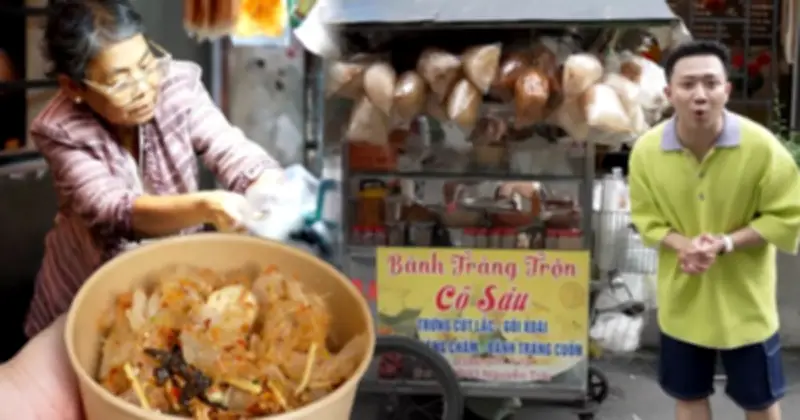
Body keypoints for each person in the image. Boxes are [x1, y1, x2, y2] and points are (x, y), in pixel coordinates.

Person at [25, 0, 284, 339]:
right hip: (88, 285)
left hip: (174, 279)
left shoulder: (176, 84)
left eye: (147, 65)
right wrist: (206, 206)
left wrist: (264, 182)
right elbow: (113, 210)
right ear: (74, 87)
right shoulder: (59, 130)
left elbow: (228, 147)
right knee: (88, 355)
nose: (144, 88)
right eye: (119, 82)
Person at [629, 40, 800, 420]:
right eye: (688, 84)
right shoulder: (646, 152)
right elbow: (645, 218)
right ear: (669, 93)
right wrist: (683, 245)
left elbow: (788, 215)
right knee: (688, 397)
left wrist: (725, 243)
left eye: (710, 83)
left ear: (727, 90)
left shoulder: (762, 148)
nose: (700, 95)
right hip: (682, 303)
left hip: (747, 306)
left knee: (760, 402)